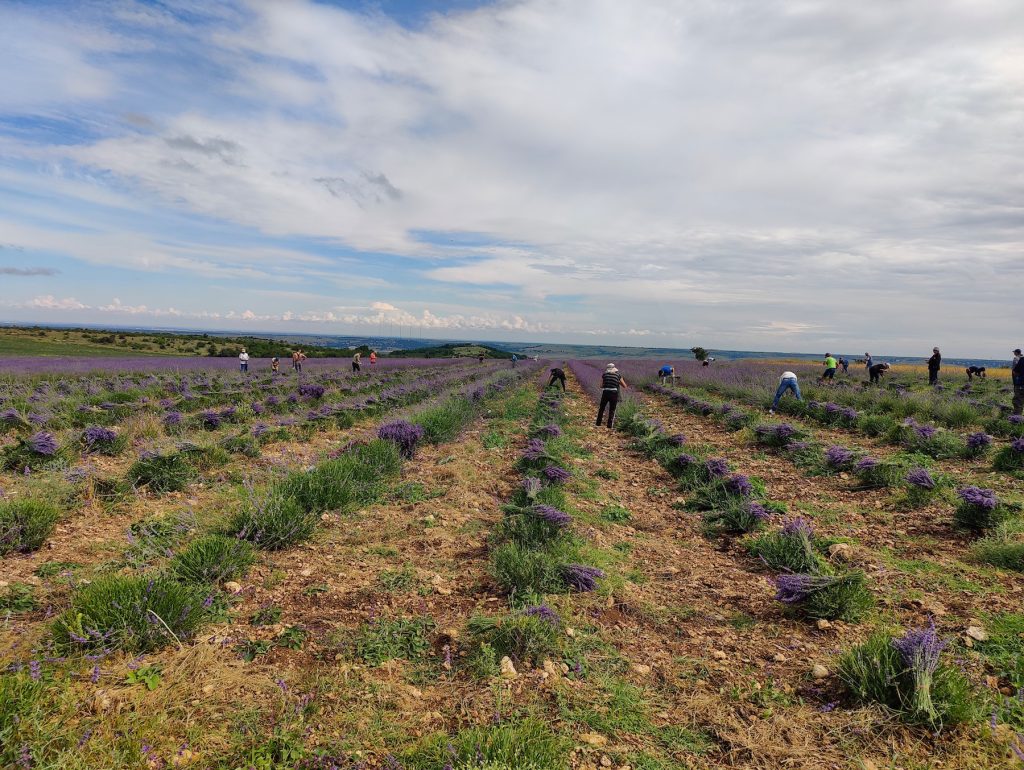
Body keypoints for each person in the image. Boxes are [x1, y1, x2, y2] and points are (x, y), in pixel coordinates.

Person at [596, 363, 627, 428]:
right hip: (614, 393)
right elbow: (625, 386)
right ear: (614, 369)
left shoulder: (604, 375)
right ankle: (609, 426)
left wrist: (607, 383)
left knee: (601, 408)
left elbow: (601, 386)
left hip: (605, 393)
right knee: (612, 409)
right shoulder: (618, 375)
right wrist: (617, 382)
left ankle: (598, 424)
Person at [1013, 348, 1024, 416]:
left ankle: (1017, 420)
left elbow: (1015, 371)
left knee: (1018, 402)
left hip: (1021, 384)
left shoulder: (1021, 359)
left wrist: (1018, 377)